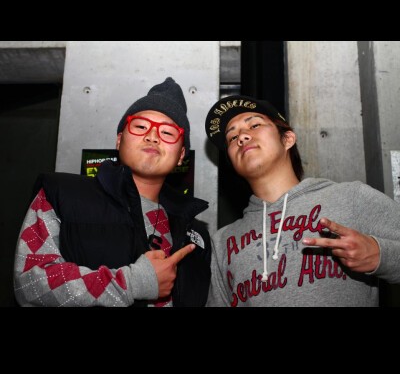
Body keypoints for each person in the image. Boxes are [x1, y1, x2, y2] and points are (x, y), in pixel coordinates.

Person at [14, 77, 211, 307]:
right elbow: (30, 285)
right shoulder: (61, 195)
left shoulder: (197, 235)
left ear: (181, 156)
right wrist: (132, 283)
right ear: (119, 140)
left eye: (168, 133)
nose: (153, 136)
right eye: (140, 126)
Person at [204, 95, 400, 307]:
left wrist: (380, 255)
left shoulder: (351, 198)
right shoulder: (222, 242)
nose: (241, 137)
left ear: (288, 139)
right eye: (232, 137)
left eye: (255, 125)